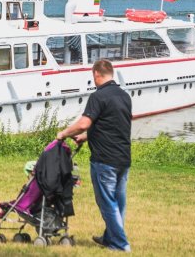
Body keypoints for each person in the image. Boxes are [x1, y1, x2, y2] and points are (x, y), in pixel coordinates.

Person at [56, 59, 132, 252]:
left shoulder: (98, 96)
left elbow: (84, 123)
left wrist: (64, 133)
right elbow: (111, 126)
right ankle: (109, 237)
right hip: (123, 158)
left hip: (104, 160)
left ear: (96, 74)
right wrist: (86, 137)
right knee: (118, 202)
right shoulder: (124, 96)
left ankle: (120, 244)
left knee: (107, 202)